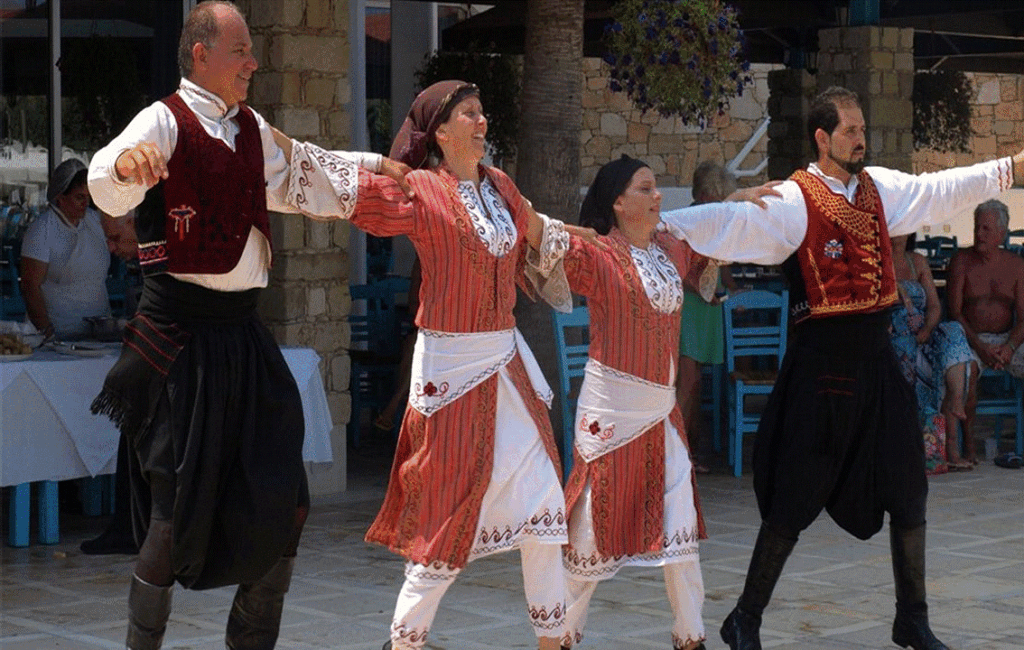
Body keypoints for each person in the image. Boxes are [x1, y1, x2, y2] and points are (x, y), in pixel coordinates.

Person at [86, 2, 409, 648]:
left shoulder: (253, 130)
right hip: (177, 339)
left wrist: (374, 166)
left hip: (243, 335)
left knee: (287, 501)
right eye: (241, 51)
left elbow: (306, 171)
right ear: (200, 54)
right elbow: (108, 175)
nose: (253, 63)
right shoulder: (163, 120)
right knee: (172, 517)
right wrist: (127, 170)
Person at [658, 86, 1023, 650]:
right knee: (795, 499)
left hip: (878, 363)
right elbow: (727, 222)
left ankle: (912, 619)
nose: (860, 138)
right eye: (850, 130)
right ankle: (745, 619)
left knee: (908, 487)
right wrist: (658, 226)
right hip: (822, 368)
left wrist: (1011, 167)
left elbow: (941, 188)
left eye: (861, 129)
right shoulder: (791, 200)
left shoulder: (882, 189)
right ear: (822, 138)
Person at [273, 80, 577, 650]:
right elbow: (343, 190)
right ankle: (404, 642)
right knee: (445, 523)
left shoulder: (502, 187)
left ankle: (553, 639)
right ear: (439, 132)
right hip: (454, 375)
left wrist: (617, 248)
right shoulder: (421, 191)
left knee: (544, 505)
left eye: (484, 112)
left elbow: (543, 233)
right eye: (469, 114)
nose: (482, 121)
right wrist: (272, 148)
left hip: (507, 367)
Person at [556, 155, 713, 650]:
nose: (658, 196)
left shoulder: (670, 249)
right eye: (646, 189)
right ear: (619, 203)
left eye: (656, 188)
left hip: (662, 416)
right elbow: (542, 244)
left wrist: (747, 203)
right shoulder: (598, 255)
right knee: (589, 544)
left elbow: (716, 231)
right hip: (613, 418)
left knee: (681, 533)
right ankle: (559, 638)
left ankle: (691, 638)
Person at [889, 233, 977, 473]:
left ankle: (957, 400)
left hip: (922, 334)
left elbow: (935, 306)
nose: (899, 233)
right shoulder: (875, 261)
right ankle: (940, 449)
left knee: (953, 331)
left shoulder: (916, 262)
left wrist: (927, 329)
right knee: (907, 348)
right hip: (892, 340)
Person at [676, 161, 742, 474]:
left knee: (696, 383)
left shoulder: (712, 222)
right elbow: (680, 267)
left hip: (708, 305)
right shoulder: (688, 222)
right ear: (705, 195)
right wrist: (702, 289)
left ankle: (690, 450)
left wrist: (731, 288)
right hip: (691, 306)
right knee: (686, 382)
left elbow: (721, 263)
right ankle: (677, 453)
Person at [948, 199, 1024, 462]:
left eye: (986, 229)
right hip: (971, 339)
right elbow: (955, 313)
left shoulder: (1016, 266)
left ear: (1002, 234)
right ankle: (969, 446)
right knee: (966, 372)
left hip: (1007, 341)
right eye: (977, 227)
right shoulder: (961, 262)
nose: (979, 234)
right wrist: (981, 348)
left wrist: (1010, 347)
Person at [20, 158, 111, 340]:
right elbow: (30, 286)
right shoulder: (41, 230)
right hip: (59, 335)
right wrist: (47, 332)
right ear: (60, 198)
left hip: (99, 334)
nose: (86, 203)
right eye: (79, 197)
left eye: (88, 197)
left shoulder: (96, 222)